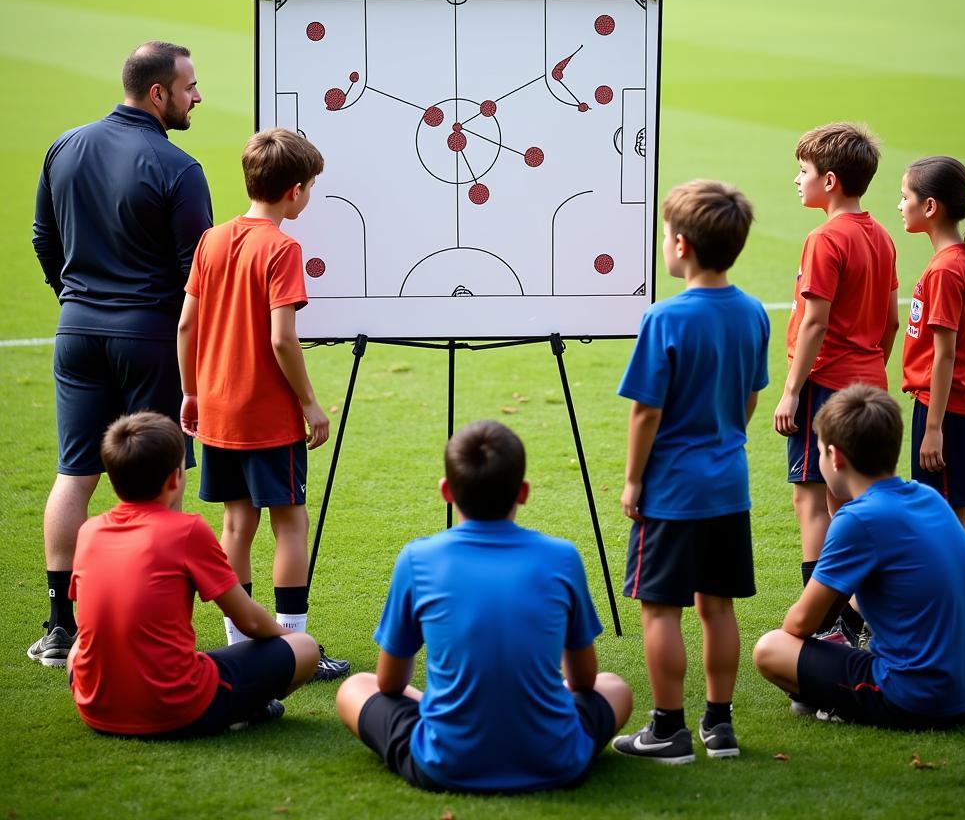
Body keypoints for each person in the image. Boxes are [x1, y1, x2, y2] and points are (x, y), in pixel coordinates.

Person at [29, 41, 212, 667]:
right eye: (190, 87)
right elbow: (197, 274)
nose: (198, 97)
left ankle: (61, 627)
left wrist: (73, 297)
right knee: (164, 477)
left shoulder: (64, 146)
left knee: (73, 475)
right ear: (158, 93)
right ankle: (156, 621)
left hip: (76, 332)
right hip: (152, 338)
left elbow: (43, 240)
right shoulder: (179, 168)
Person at [336, 420, 632, 793]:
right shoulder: (562, 557)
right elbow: (586, 681)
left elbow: (390, 683)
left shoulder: (418, 559)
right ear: (523, 492)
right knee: (614, 687)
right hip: (556, 761)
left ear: (446, 491)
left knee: (355, 687)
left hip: (447, 763)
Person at [177, 127, 347, 682]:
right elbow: (281, 338)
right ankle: (296, 647)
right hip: (268, 415)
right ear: (295, 190)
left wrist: (192, 392)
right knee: (291, 524)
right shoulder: (283, 248)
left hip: (218, 411)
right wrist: (311, 403)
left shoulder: (212, 239)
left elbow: (186, 325)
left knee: (235, 524)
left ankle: (239, 642)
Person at [614, 180, 769, 763]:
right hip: (730, 483)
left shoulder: (665, 318)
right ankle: (720, 726)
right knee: (718, 605)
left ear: (679, 244)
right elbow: (752, 396)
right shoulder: (754, 312)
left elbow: (646, 410)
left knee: (660, 608)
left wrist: (634, 479)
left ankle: (668, 729)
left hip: (674, 491)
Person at [754, 384, 965, 728]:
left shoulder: (858, 518)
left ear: (835, 457)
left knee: (771, 649)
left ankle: (834, 701)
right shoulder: (928, 497)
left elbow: (800, 625)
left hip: (926, 699)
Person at [68, 412, 320, 738]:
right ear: (175, 478)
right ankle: (245, 708)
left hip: (94, 707)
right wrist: (290, 640)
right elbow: (250, 622)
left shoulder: (89, 531)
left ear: (113, 479)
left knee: (79, 648)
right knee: (306, 649)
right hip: (177, 709)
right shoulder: (186, 531)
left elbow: (87, 627)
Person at [772, 123, 898, 639]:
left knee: (813, 500)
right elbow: (890, 321)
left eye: (803, 172)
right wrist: (869, 363)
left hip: (825, 388)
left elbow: (814, 322)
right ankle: (860, 615)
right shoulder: (882, 235)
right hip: (869, 381)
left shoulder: (824, 238)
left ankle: (826, 624)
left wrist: (792, 390)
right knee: (855, 502)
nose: (796, 180)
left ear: (829, 180)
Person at [898, 156, 965, 653]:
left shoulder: (946, 269)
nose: (900, 206)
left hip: (949, 410)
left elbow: (943, 356)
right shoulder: (961, 258)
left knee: (946, 525)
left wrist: (933, 427)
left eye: (905, 197)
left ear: (931, 206)